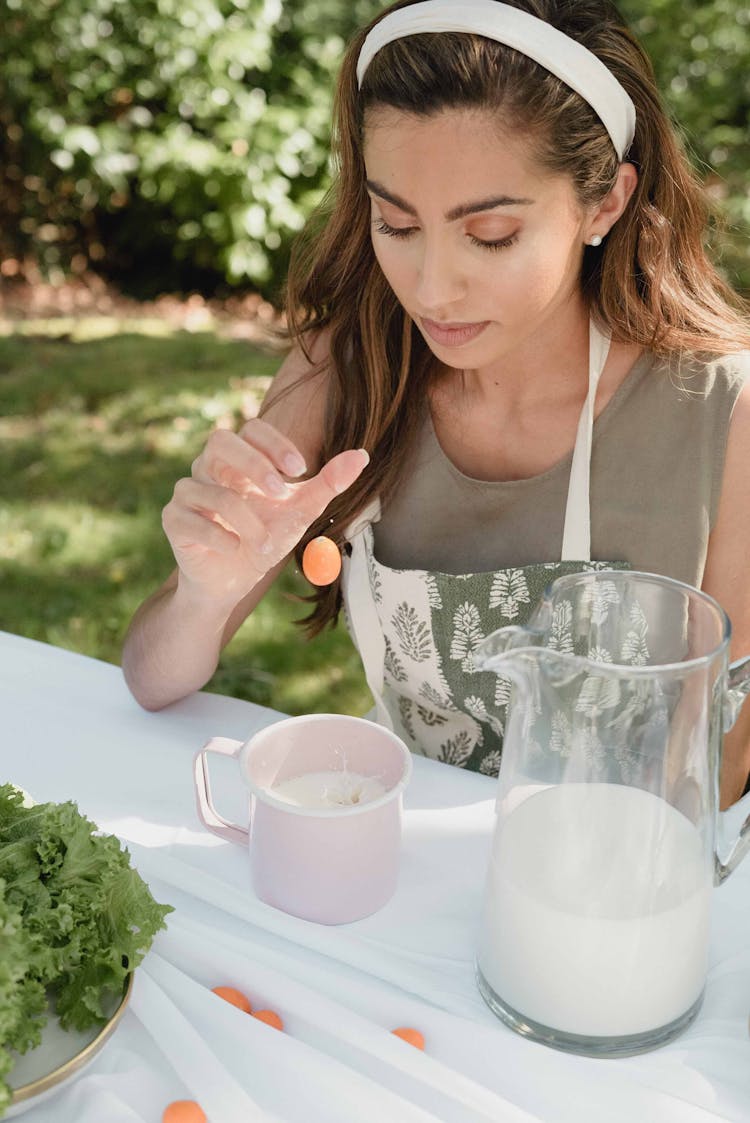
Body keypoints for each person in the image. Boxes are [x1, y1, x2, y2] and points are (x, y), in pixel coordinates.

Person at [122, 0, 750, 807]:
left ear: (606, 203)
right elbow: (152, 677)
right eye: (397, 223)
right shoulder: (345, 369)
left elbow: (724, 766)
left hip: (612, 889)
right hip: (393, 854)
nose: (430, 288)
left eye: (489, 234)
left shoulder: (722, 412)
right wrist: (203, 594)